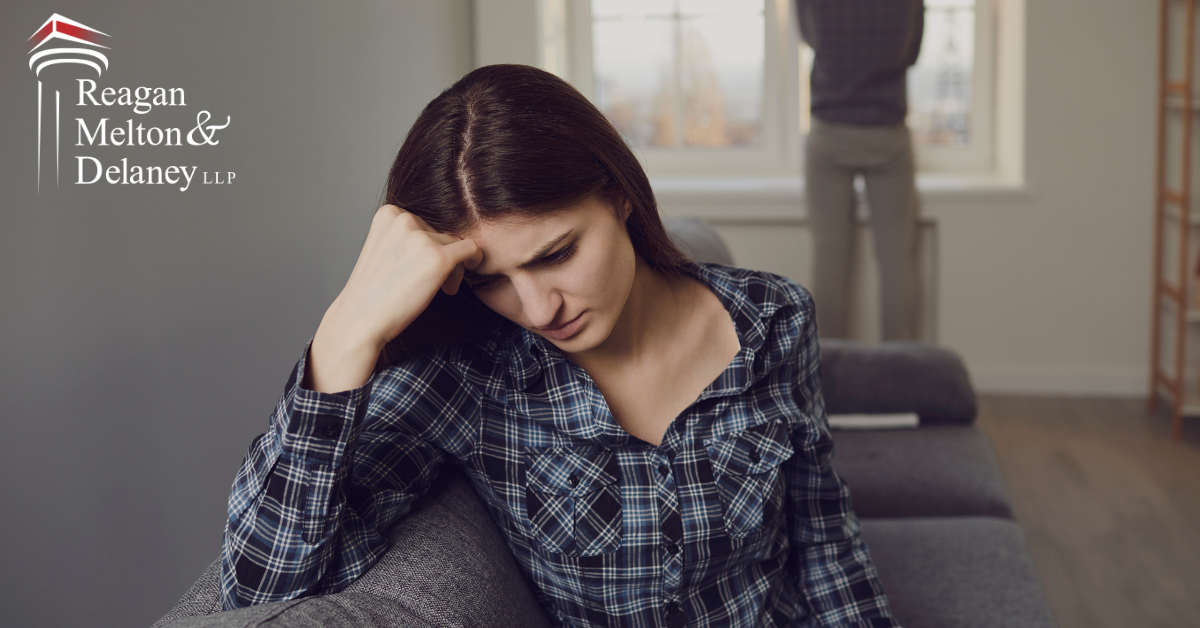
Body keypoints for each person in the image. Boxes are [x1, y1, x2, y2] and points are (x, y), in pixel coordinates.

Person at [219, 64, 899, 627]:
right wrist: (344, 337)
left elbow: (823, 540)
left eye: (557, 253)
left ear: (619, 196)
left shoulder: (774, 317)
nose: (540, 308)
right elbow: (259, 592)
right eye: (491, 281)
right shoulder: (469, 377)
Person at [798, 0, 925, 341]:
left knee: (828, 259)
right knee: (897, 261)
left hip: (830, 131)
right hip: (887, 132)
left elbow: (809, 36)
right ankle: (902, 366)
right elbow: (911, 52)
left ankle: (829, 370)